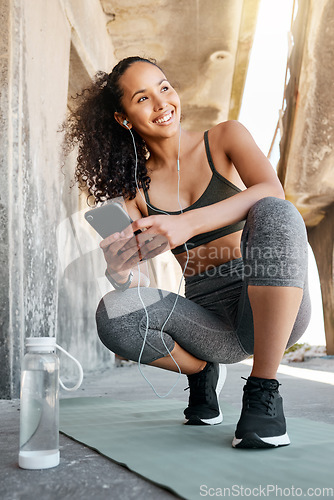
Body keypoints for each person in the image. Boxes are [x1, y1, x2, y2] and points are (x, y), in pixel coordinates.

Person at [63, 56, 311, 449]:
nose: (162, 103)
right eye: (143, 98)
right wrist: (120, 270)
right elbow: (134, 282)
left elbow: (271, 190)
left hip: (272, 304)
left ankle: (263, 391)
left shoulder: (226, 137)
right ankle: (201, 373)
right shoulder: (131, 194)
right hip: (209, 326)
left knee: (275, 211)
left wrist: (186, 224)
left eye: (164, 87)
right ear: (124, 118)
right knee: (114, 311)